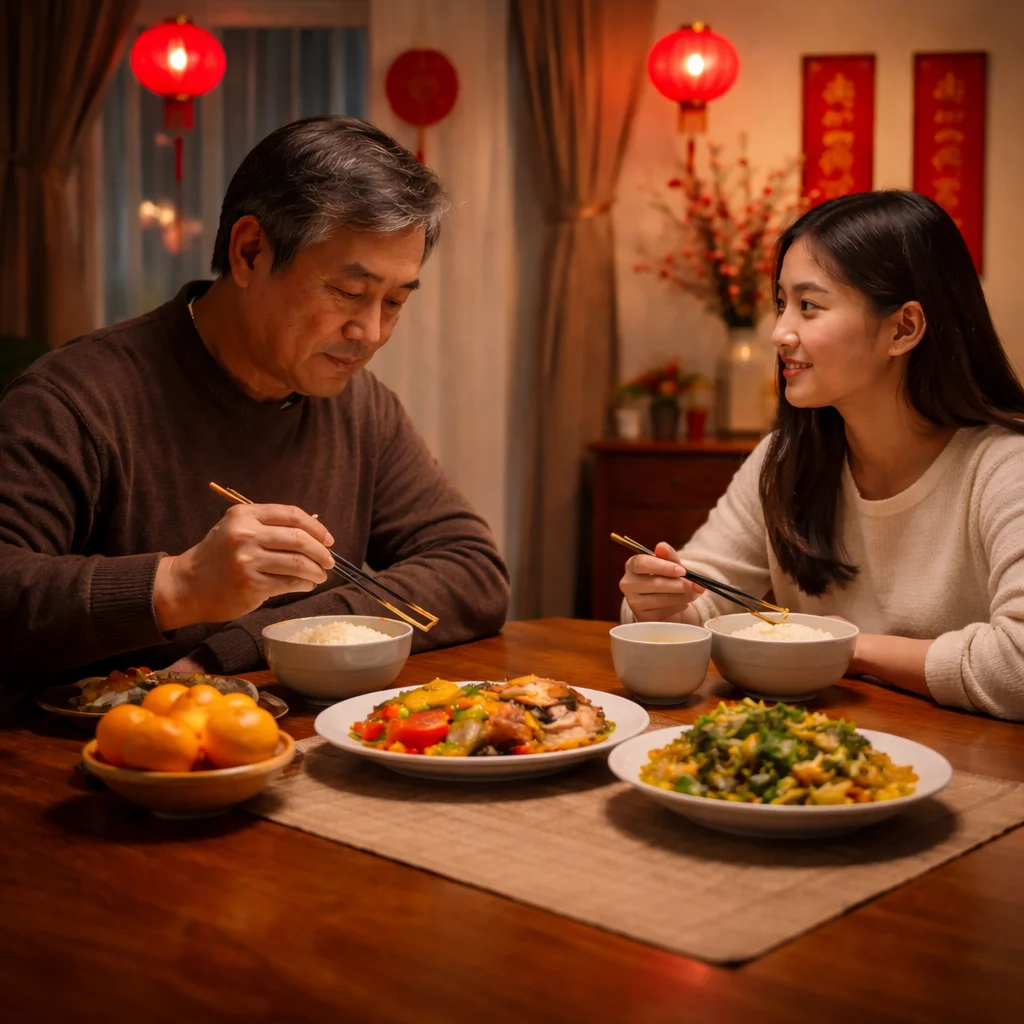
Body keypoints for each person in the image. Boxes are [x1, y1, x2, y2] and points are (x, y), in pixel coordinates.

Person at [0, 116, 509, 695]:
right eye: (349, 292)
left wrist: (241, 647)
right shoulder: (77, 397)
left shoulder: (361, 409)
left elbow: (471, 569)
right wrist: (177, 585)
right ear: (249, 253)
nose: (370, 332)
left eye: (394, 301)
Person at [620, 189, 1024, 721]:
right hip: (813, 756)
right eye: (782, 304)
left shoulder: (1003, 468)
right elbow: (700, 602)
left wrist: (842, 648)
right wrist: (655, 601)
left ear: (903, 328)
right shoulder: (785, 457)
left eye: (809, 306)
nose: (780, 333)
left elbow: (1017, 666)